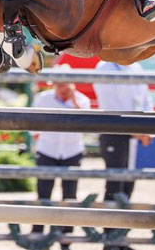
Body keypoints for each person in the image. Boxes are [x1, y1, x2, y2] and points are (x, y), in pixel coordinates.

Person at [92, 60, 154, 250]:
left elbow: (146, 97)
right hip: (114, 131)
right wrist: (132, 128)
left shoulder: (135, 66)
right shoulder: (104, 67)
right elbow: (111, 102)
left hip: (135, 131)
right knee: (114, 183)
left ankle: (120, 235)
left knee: (129, 183)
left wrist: (149, 125)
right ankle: (110, 236)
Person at [30, 72, 92, 250]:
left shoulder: (82, 100)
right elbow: (32, 122)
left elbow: (88, 125)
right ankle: (38, 237)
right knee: (43, 195)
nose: (63, 88)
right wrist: (38, 138)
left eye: (65, 84)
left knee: (69, 197)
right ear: (54, 85)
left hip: (72, 152)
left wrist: (74, 102)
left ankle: (65, 240)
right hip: (47, 151)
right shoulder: (43, 99)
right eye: (59, 84)